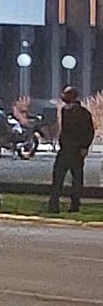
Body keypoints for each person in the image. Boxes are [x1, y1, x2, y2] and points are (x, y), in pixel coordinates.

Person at [47, 86, 95, 214]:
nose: (62, 95)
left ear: (73, 95)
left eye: (66, 93)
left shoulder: (82, 113)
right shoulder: (65, 110)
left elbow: (89, 131)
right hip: (65, 149)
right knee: (58, 177)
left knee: (75, 178)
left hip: (75, 150)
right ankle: (54, 205)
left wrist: (84, 146)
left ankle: (74, 204)